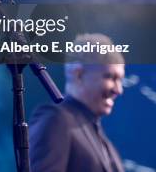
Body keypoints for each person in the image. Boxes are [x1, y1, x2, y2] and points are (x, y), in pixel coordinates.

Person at [29, 33, 125, 172]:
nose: (118, 90)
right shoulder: (56, 120)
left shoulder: (99, 138)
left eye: (120, 79)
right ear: (78, 74)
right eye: (110, 77)